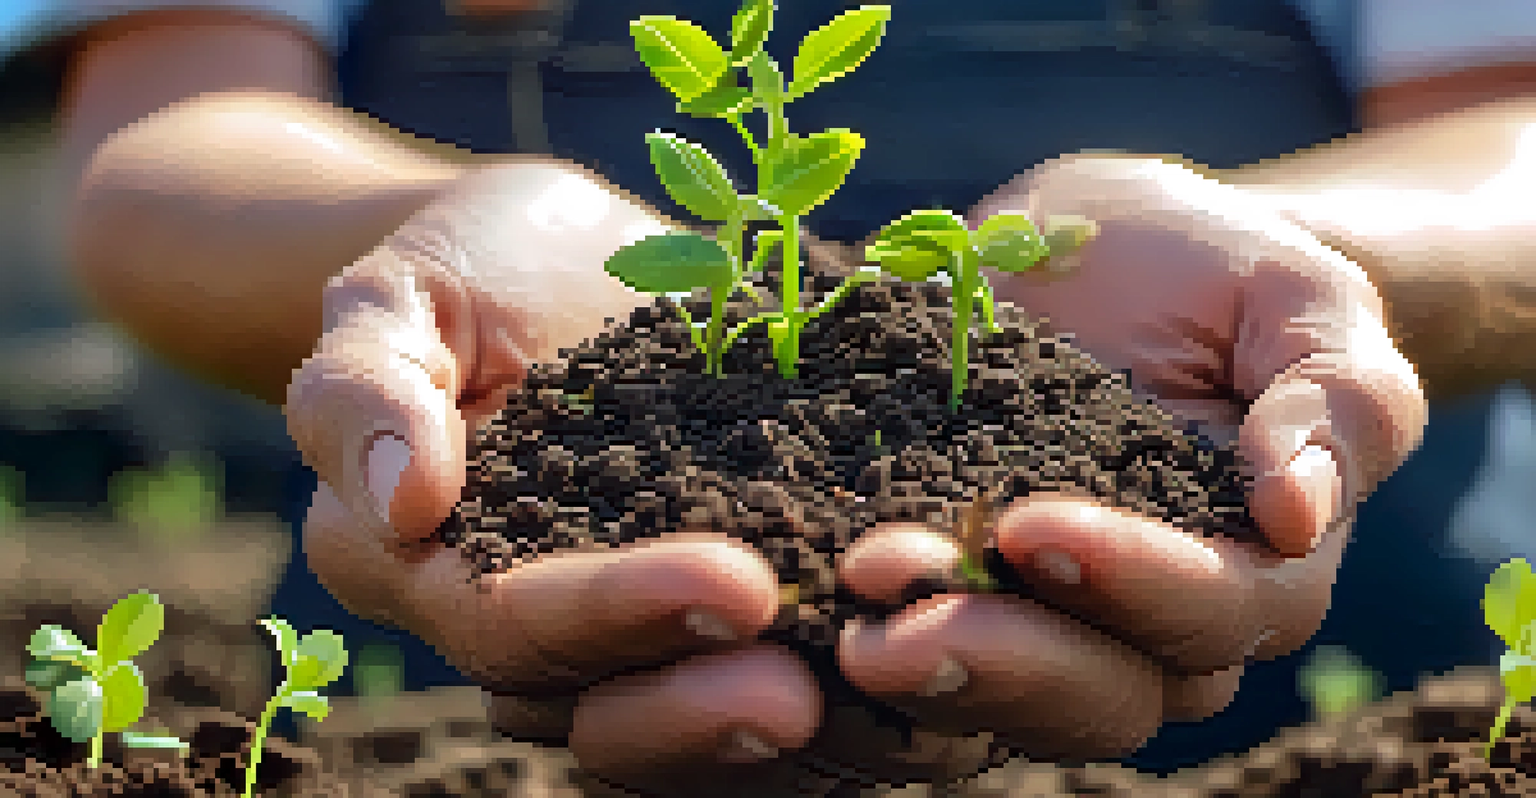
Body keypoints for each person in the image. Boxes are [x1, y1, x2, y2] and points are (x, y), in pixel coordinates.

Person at [10, 0, 1533, 794]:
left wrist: (1304, 270)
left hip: (1349, 707)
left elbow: (1508, 135)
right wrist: (437, 255)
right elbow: (167, 136)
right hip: (481, 723)